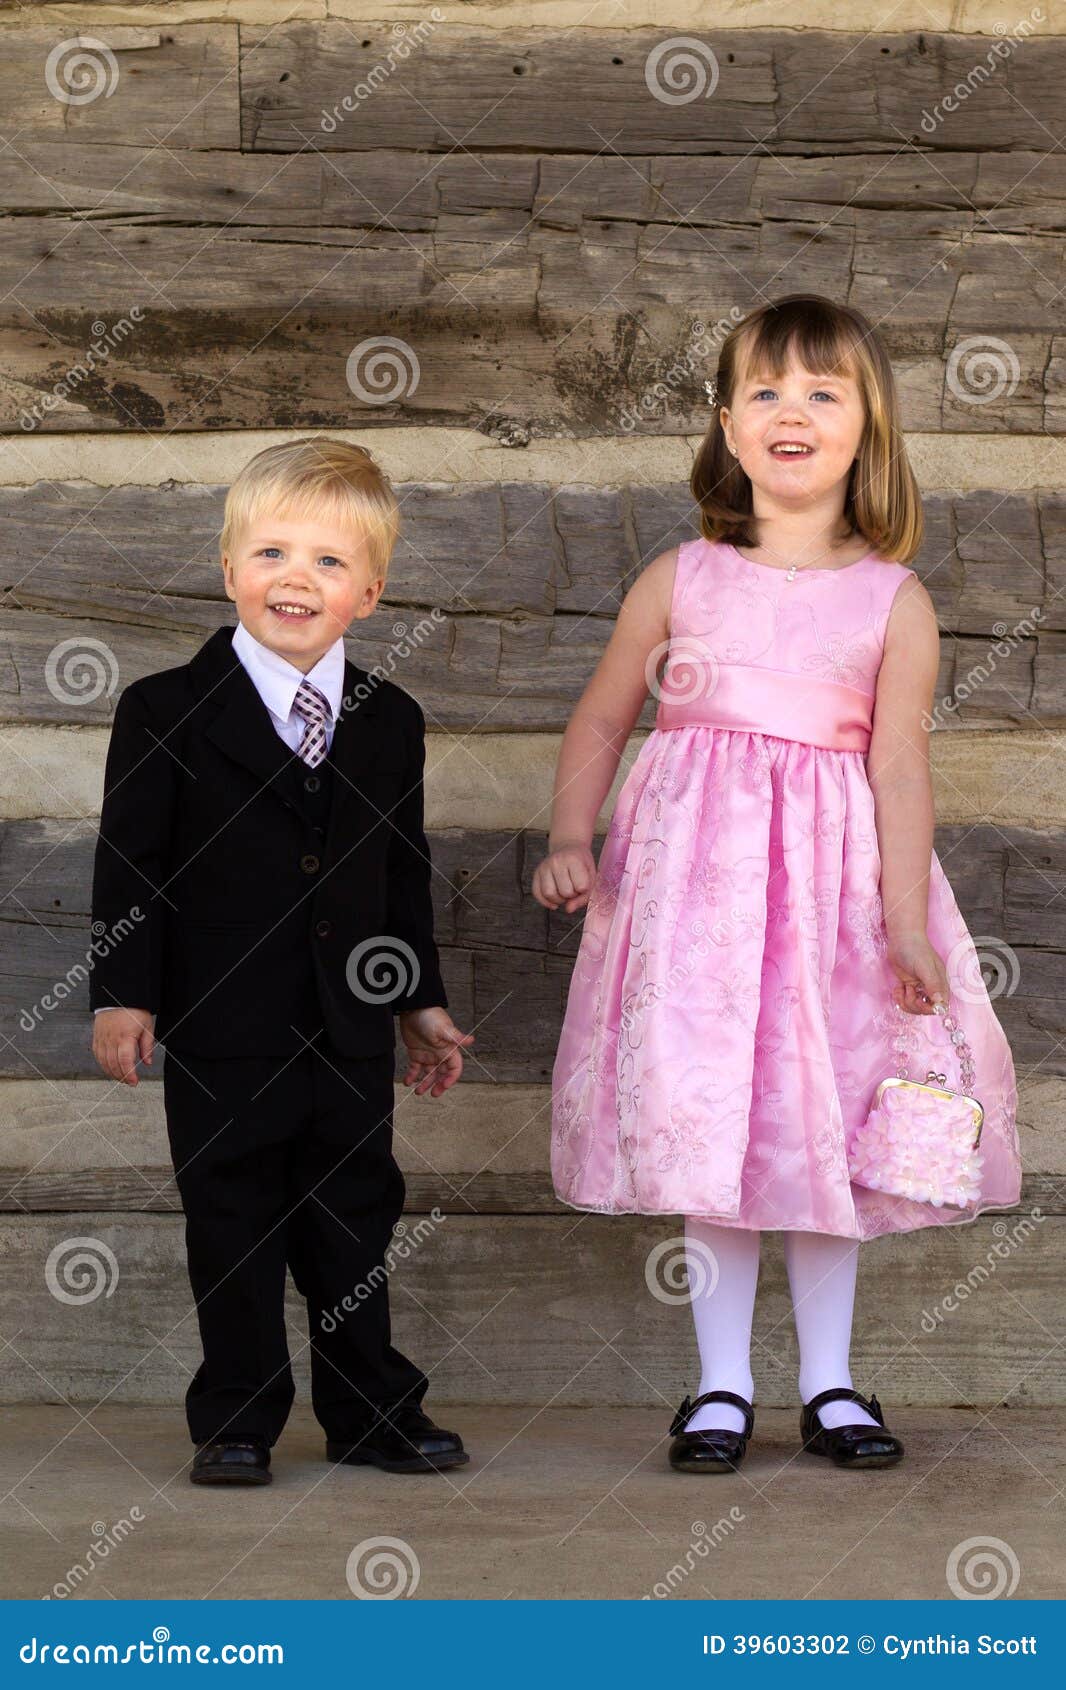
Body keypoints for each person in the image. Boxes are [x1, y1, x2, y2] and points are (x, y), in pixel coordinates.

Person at [535, 294, 1021, 1475]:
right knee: (717, 1125)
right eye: (763, 391)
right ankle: (716, 1387)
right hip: (695, 904)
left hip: (829, 906)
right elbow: (606, 715)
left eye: (821, 392)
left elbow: (898, 768)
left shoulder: (892, 598)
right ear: (724, 423)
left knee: (817, 1127)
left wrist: (902, 922)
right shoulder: (682, 577)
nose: (788, 412)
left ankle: (830, 1382)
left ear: (868, 429)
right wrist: (568, 832)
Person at [90, 438, 474, 1484]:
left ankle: (370, 1410)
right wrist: (125, 994)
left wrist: (418, 1005)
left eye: (328, 562)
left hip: (347, 1026)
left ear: (370, 592)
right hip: (222, 1023)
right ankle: (238, 1416)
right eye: (270, 552)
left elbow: (398, 874)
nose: (294, 578)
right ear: (228, 570)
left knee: (353, 1215)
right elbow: (133, 863)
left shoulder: (387, 721)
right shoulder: (166, 711)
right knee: (234, 1216)